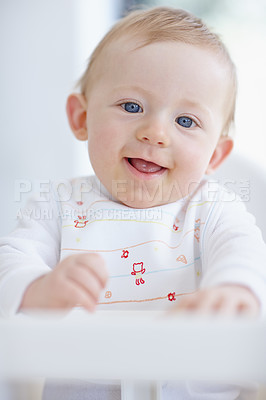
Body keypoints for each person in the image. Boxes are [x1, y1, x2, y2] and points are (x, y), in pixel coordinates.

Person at [0, 6, 265, 399]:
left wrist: (235, 290)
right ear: (82, 117)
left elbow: (243, 252)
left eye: (186, 121)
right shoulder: (57, 206)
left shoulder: (213, 208)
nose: (155, 133)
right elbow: (11, 259)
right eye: (132, 106)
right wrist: (37, 289)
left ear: (214, 156)